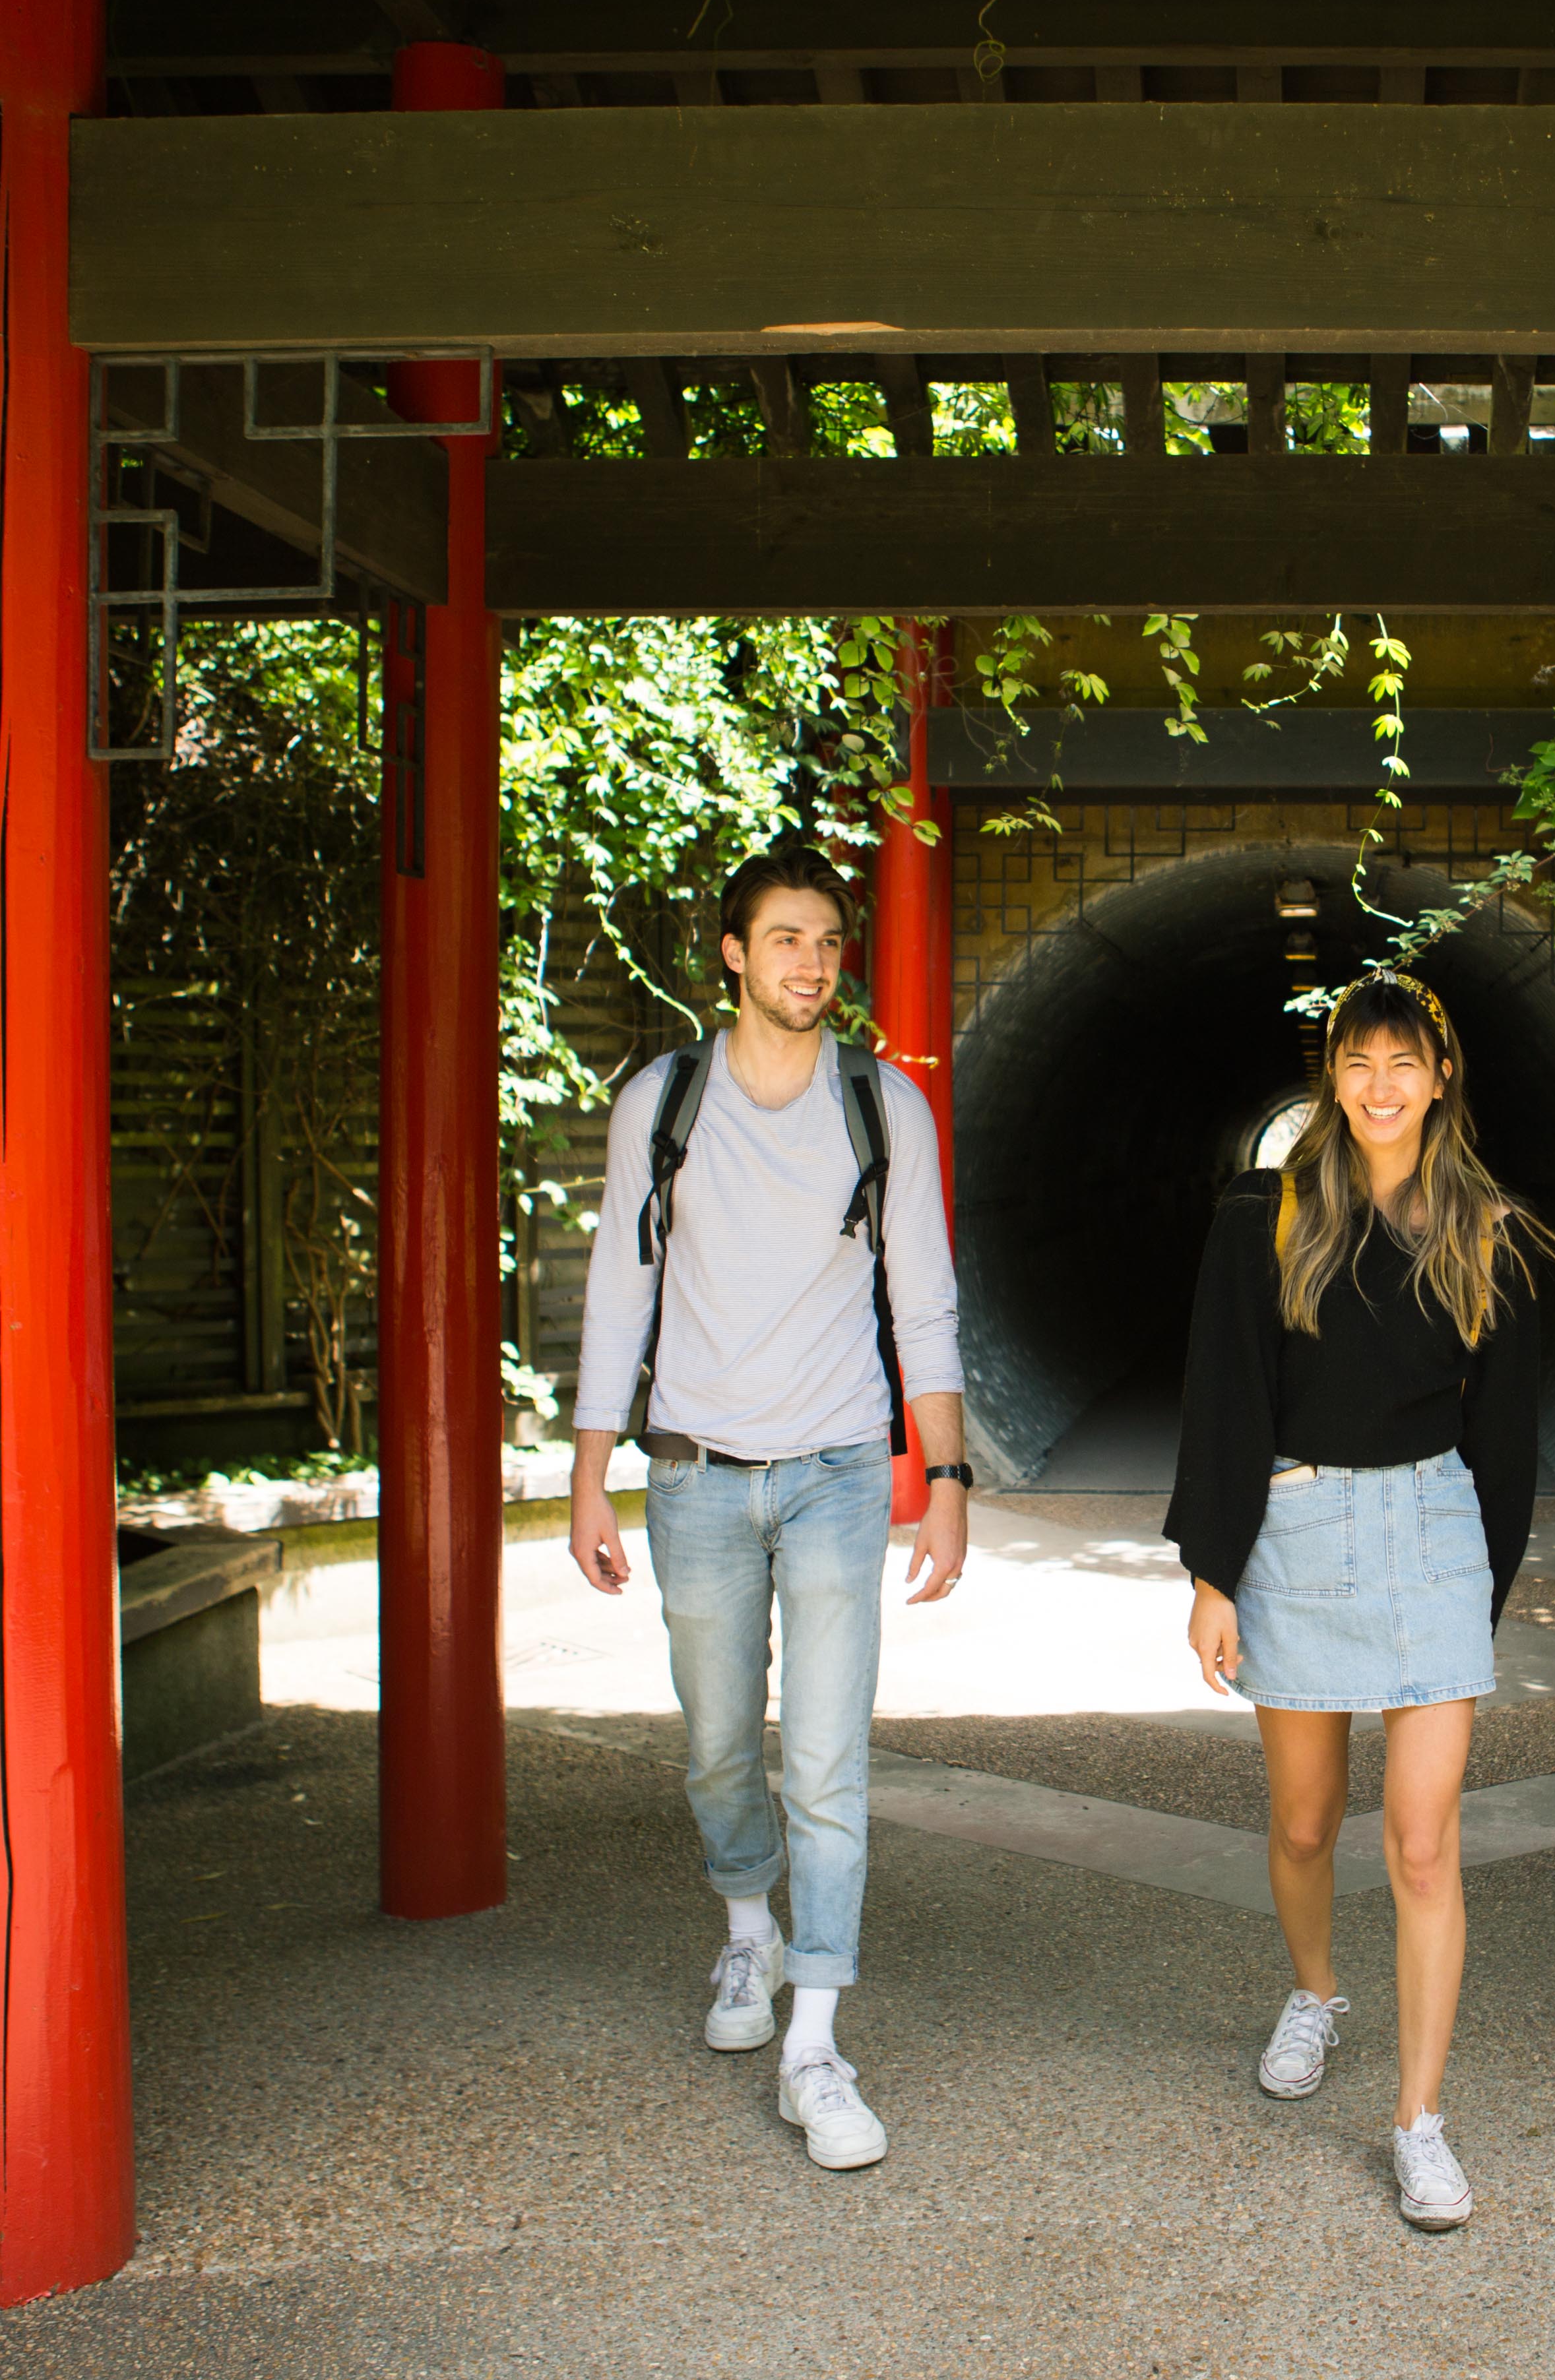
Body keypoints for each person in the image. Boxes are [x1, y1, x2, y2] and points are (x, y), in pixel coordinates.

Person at [569, 842, 970, 2174]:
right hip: (690, 1470)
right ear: (733, 953)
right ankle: (744, 1931)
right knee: (720, 1746)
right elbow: (618, 1290)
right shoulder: (662, 1099)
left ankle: (816, 2035)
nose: (811, 962)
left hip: (842, 1472)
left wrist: (948, 1478)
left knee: (827, 1761)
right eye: (785, 938)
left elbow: (922, 1297)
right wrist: (589, 1467)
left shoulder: (882, 1105)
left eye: (828, 941)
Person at [1166, 972, 1555, 2232]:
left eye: (1405, 1062)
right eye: (1358, 1062)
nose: (1381, 1085)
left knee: (1422, 1839)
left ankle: (1419, 2121)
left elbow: (1505, 1438)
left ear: (1443, 1076)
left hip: (1433, 1528)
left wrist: (1477, 1600)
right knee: (1301, 1823)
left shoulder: (1486, 1226)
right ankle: (1315, 1991)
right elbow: (1223, 1396)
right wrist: (1213, 1573)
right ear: (1331, 1077)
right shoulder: (1263, 1215)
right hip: (1298, 1530)